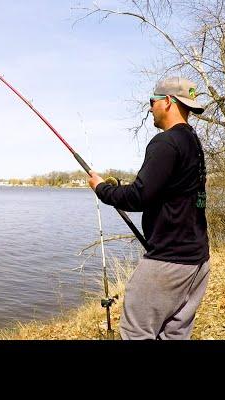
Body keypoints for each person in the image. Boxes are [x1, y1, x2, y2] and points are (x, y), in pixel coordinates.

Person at [88, 76, 210, 340]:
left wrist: (101, 188)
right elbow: (163, 190)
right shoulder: (193, 142)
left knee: (136, 332)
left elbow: (138, 197)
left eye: (152, 101)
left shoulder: (165, 142)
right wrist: (122, 187)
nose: (149, 107)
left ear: (167, 102)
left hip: (169, 260)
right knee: (175, 333)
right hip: (198, 259)